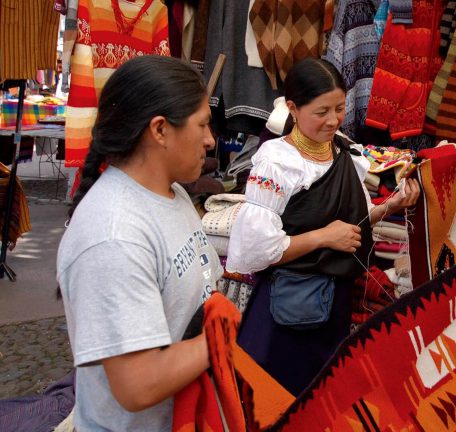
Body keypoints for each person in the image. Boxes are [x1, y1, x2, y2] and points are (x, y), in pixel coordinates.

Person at [227, 57, 420, 396]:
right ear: (293, 108)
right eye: (321, 112)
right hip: (286, 313)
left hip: (332, 309)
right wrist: (323, 237)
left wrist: (390, 206)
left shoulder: (341, 152)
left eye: (340, 108)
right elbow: (257, 250)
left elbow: (351, 223)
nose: (333, 120)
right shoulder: (276, 162)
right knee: (279, 404)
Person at [57, 55, 221, 430]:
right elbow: (138, 385)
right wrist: (223, 334)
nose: (211, 140)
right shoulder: (113, 236)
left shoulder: (172, 194)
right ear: (160, 130)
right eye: (202, 125)